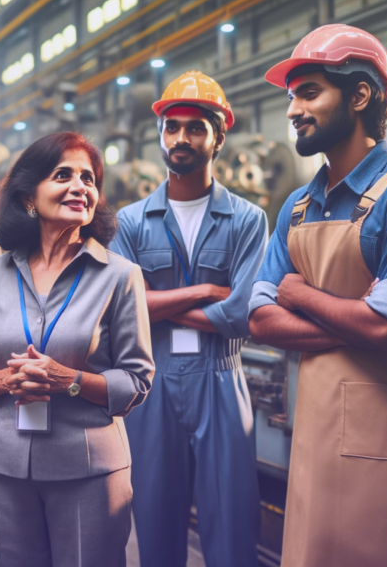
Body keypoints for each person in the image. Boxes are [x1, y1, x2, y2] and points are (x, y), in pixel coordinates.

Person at [248, 24, 387, 567]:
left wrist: (298, 291)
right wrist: (358, 316)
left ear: (361, 95)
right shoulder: (296, 206)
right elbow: (260, 321)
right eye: (291, 96)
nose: (293, 109)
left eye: (309, 92)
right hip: (313, 432)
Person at [0, 131, 155, 567]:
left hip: (89, 469)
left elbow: (137, 380)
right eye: (63, 174)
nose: (80, 186)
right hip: (2, 465)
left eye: (88, 178)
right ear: (29, 195)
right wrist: (6, 380)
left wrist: (70, 382)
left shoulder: (120, 276)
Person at [110, 70, 267, 567]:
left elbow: (241, 314)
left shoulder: (247, 219)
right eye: (172, 126)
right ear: (160, 134)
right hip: (150, 383)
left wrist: (158, 305)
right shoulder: (130, 222)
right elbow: (121, 310)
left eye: (195, 127)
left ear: (218, 136)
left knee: (232, 525)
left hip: (221, 379)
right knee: (155, 524)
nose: (182, 137)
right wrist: (204, 293)